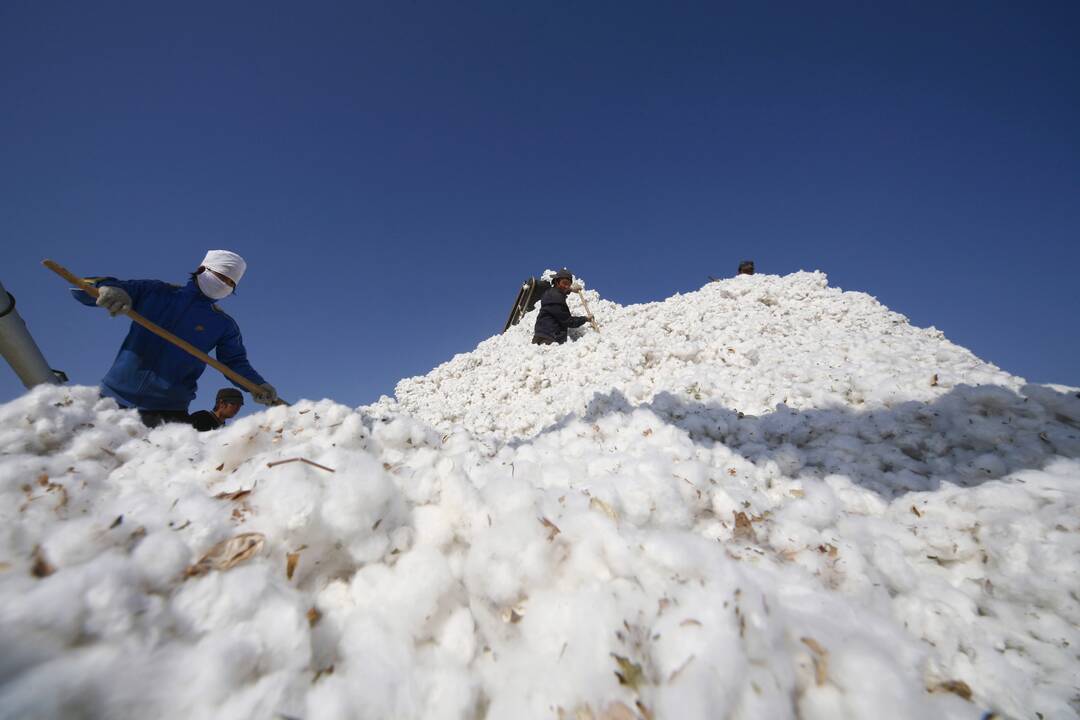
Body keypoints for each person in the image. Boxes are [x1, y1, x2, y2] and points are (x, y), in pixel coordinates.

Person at [72, 250, 278, 427]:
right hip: (111, 400)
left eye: (230, 283)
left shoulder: (223, 324)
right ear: (202, 270)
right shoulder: (157, 292)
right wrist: (107, 290)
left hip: (168, 413)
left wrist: (257, 385)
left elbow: (234, 363)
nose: (224, 284)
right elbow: (85, 287)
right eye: (221, 276)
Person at [532, 268, 590, 345]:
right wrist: (585, 319)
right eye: (564, 283)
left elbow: (563, 289)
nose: (566, 286)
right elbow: (568, 321)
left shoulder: (551, 292)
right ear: (556, 282)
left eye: (568, 284)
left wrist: (571, 289)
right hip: (548, 339)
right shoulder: (556, 299)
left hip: (542, 336)